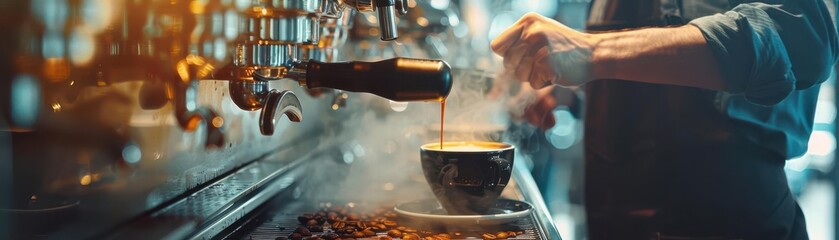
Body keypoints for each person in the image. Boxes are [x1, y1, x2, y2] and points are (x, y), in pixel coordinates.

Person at [491, 1, 839, 239]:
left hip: (730, 225)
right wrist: (575, 89)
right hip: (610, 223)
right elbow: (645, 62)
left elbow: (800, 34)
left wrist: (591, 52)